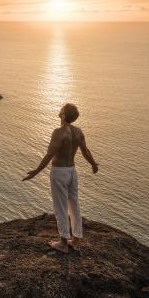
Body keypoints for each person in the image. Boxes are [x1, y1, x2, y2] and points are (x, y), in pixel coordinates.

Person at [22, 103, 99, 253]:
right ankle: (75, 240)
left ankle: (63, 243)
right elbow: (85, 151)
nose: (59, 111)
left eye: (62, 110)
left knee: (61, 208)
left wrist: (37, 171)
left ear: (63, 114)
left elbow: (50, 154)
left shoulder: (58, 132)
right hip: (72, 171)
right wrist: (93, 164)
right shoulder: (78, 132)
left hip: (59, 172)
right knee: (74, 205)